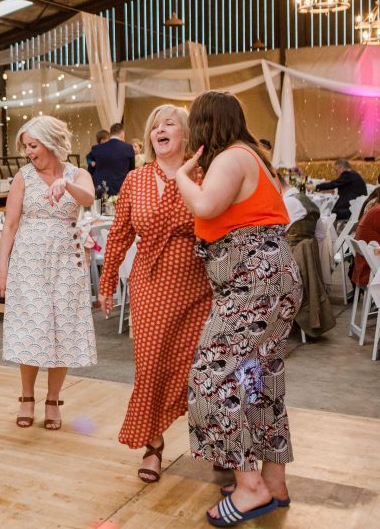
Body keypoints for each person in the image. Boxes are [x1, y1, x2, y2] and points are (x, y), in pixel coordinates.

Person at [175, 91, 301, 527]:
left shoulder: (230, 157)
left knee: (211, 379)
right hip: (270, 277)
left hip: (253, 282)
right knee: (256, 380)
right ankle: (274, 480)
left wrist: (179, 178)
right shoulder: (255, 156)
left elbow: (207, 205)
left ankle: (250, 488)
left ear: (203, 124)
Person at [97, 105, 211, 483]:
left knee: (200, 368)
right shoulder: (136, 180)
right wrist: (108, 279)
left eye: (169, 124)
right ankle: (154, 444)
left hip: (197, 283)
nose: (159, 130)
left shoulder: (204, 174)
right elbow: (119, 234)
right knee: (150, 366)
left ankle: (218, 445)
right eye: (154, 126)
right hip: (149, 282)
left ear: (185, 134)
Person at [0, 116, 96, 431]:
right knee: (32, 327)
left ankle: (53, 399)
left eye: (33, 145)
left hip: (67, 260)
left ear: (51, 142)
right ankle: (27, 396)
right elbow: (10, 225)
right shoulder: (23, 176)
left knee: (64, 328)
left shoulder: (78, 174)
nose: (28, 152)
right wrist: (2, 269)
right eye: (26, 146)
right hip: (29, 262)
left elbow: (89, 199)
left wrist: (66, 184)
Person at [89, 122, 135, 197]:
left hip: (101, 190)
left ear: (111, 134)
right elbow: (131, 171)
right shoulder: (128, 148)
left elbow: (91, 167)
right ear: (122, 134)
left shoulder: (96, 149)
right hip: (121, 190)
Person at [280, 175, 324, 247]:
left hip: (287, 255)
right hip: (309, 255)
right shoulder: (305, 199)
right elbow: (321, 234)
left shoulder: (286, 203)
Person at [85, 129, 110, 194]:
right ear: (99, 140)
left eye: (106, 139)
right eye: (103, 139)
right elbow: (88, 157)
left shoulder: (110, 148)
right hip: (97, 172)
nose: (105, 141)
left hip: (107, 172)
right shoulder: (96, 148)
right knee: (99, 190)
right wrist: (90, 162)